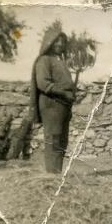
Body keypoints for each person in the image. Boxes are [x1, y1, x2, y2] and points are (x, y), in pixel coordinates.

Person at [30, 27, 76, 174]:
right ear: (50, 43)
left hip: (62, 105)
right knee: (53, 139)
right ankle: (51, 175)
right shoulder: (44, 60)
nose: (60, 45)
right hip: (51, 105)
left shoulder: (60, 61)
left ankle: (57, 173)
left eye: (62, 42)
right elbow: (43, 83)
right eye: (57, 42)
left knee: (62, 141)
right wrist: (64, 93)